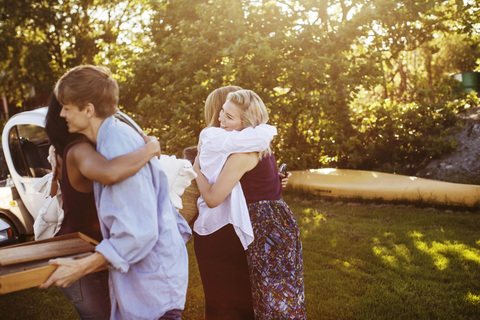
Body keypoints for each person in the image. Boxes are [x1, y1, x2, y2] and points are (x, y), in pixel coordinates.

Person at [40, 65, 191, 320]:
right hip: (147, 285)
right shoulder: (108, 138)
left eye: (66, 106)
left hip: (153, 291)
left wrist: (81, 267)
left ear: (88, 110)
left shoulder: (116, 145)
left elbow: (137, 234)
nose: (61, 113)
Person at [194, 89, 306, 319]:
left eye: (229, 117)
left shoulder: (242, 154)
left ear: (247, 123)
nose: (220, 121)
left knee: (274, 298)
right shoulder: (254, 147)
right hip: (275, 223)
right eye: (222, 113)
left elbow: (214, 198)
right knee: (275, 295)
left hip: (266, 229)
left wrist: (195, 171)